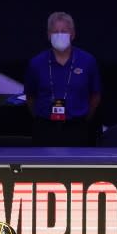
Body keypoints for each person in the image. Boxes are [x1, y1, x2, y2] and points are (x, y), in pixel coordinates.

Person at [23, 11, 102, 146]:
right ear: (48, 35)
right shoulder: (36, 63)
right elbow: (30, 97)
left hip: (77, 129)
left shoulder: (87, 61)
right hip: (45, 129)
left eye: (64, 31)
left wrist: (83, 119)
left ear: (73, 34)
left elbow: (95, 95)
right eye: (55, 31)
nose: (59, 35)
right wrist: (41, 118)